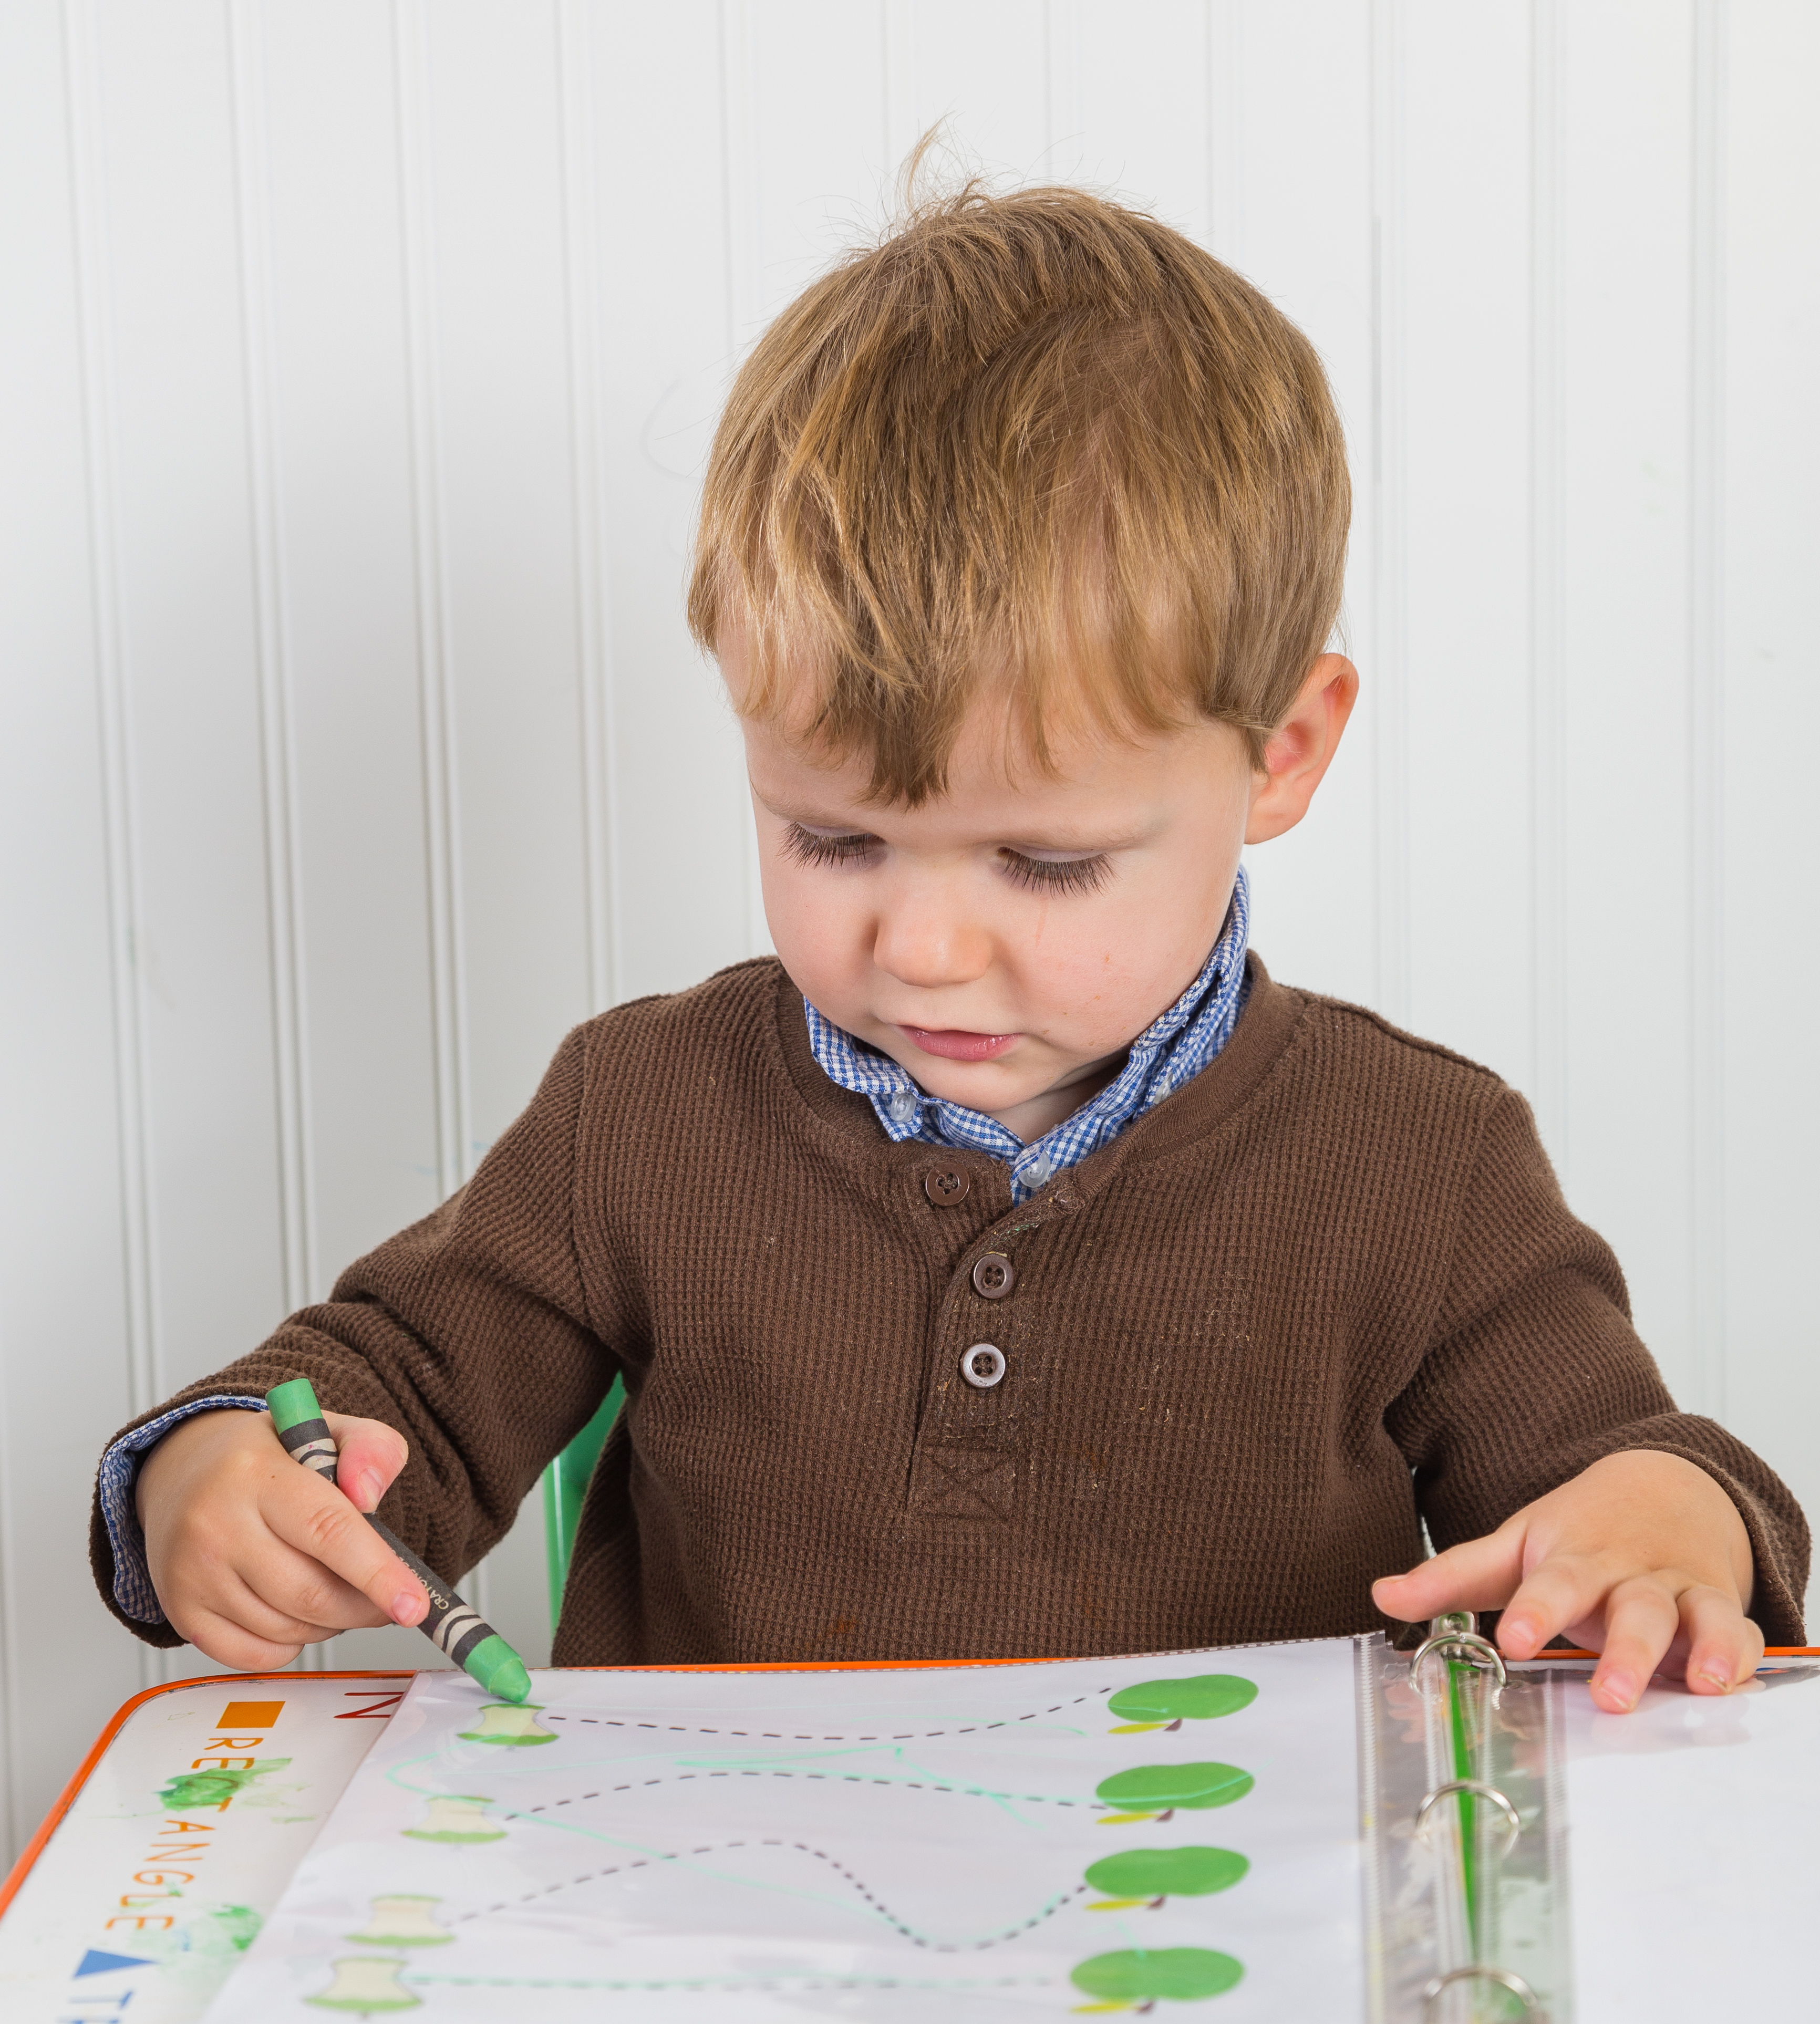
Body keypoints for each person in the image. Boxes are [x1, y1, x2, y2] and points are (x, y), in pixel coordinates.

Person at [92, 181, 1805, 1713]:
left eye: (1046, 862)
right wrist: (224, 1475)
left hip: (1217, 1987)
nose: (917, 945)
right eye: (831, 837)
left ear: (1280, 753)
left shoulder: (1424, 1161)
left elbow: (1623, 1484)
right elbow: (393, 1386)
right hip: (724, 1964)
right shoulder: (643, 1109)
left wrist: (1673, 1520)